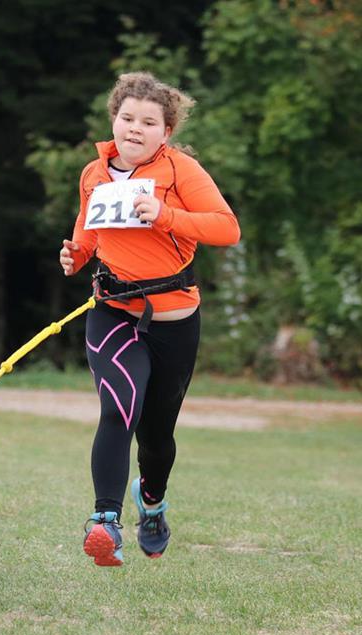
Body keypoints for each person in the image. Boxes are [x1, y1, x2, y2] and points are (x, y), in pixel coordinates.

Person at [58, 71, 240, 566]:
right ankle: (105, 522)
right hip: (113, 312)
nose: (134, 128)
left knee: (157, 437)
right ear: (113, 120)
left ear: (166, 132)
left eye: (148, 122)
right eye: (126, 117)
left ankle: (153, 503)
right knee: (120, 406)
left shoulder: (180, 172)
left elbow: (227, 228)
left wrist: (164, 215)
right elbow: (88, 237)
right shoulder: (93, 174)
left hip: (175, 321)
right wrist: (75, 256)